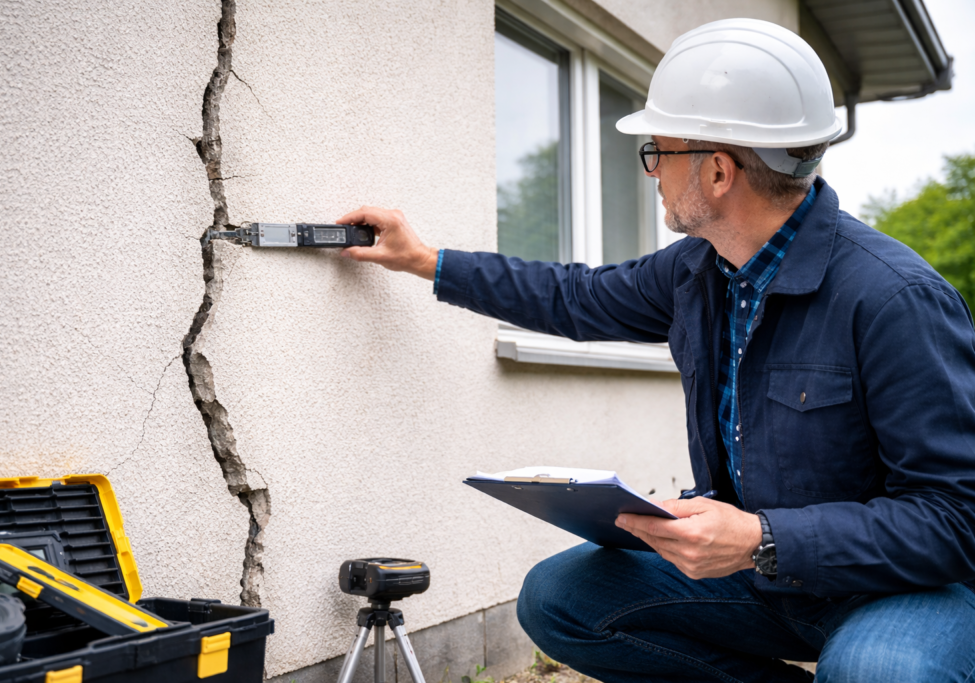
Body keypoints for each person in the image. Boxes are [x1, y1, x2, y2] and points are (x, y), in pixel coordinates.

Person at [336, 18, 975, 683]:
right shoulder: (699, 272)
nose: (651, 171)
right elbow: (573, 296)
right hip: (763, 581)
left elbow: (955, 520)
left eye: (657, 150)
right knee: (562, 599)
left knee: (879, 672)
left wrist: (763, 537)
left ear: (720, 171)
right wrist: (424, 260)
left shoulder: (893, 298)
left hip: (899, 590)